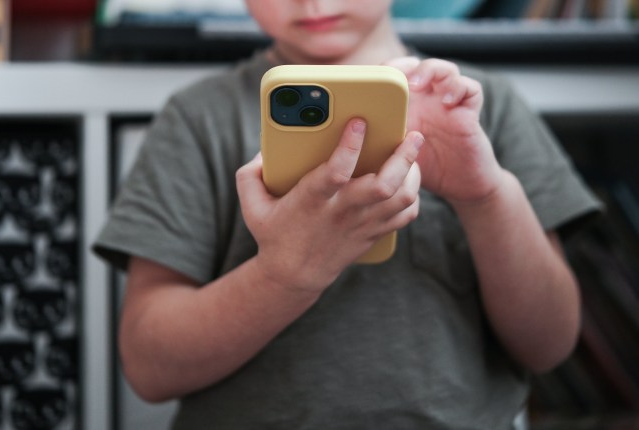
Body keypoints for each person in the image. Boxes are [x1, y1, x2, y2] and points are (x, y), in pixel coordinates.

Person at [93, 1, 602, 429]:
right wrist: (283, 276)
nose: (311, 2)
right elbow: (148, 366)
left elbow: (549, 344)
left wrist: (485, 194)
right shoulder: (197, 119)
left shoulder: (483, 106)